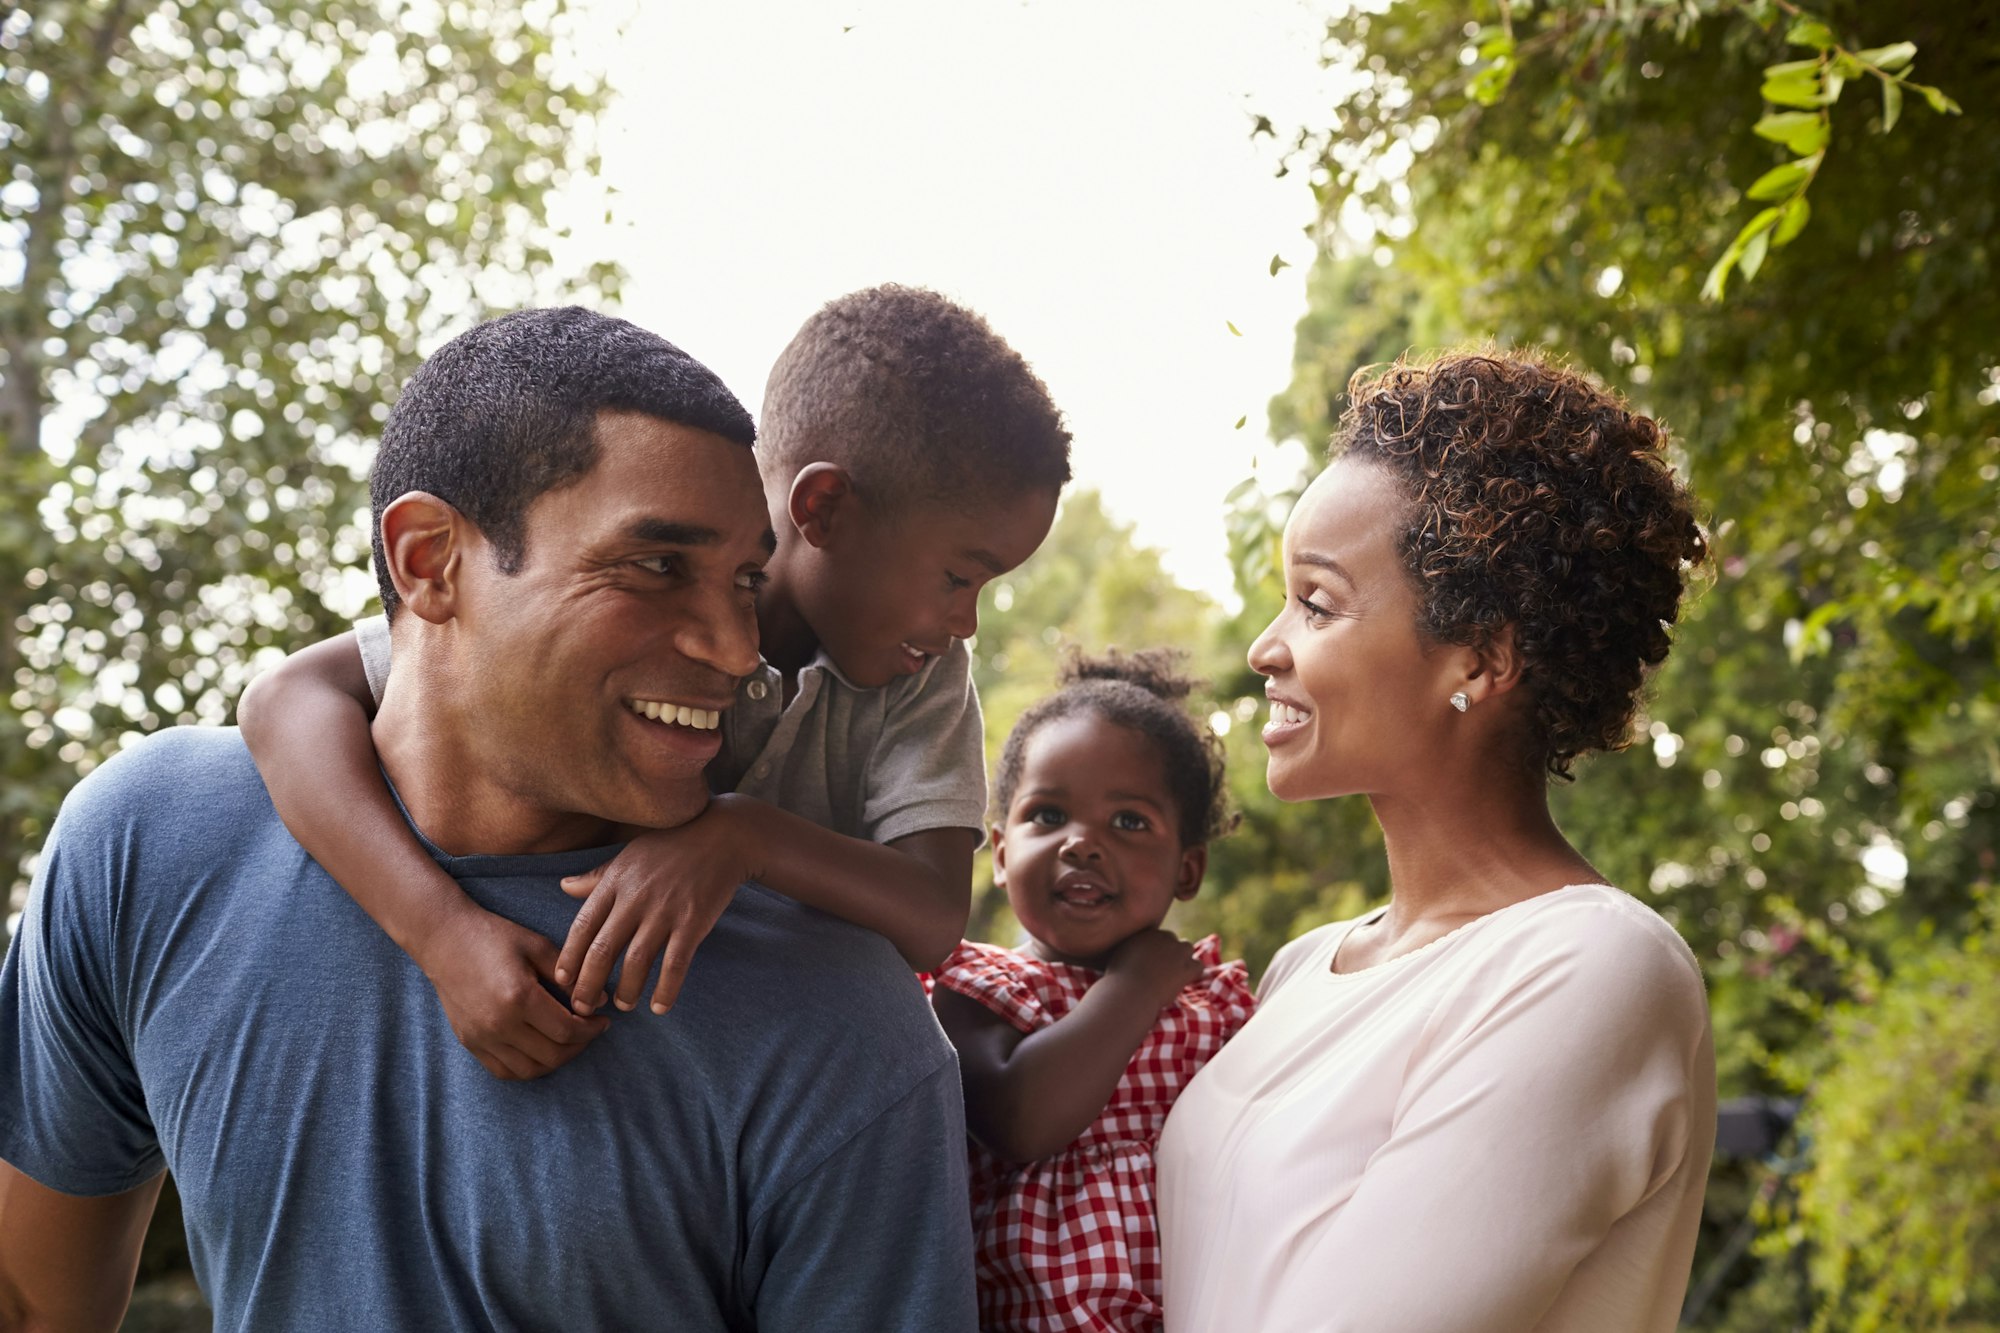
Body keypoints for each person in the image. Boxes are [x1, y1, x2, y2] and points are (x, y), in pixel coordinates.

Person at [0, 308, 978, 1330]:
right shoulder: (147, 844)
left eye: (744, 581)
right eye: (655, 566)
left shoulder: (841, 1027)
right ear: (429, 561)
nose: (739, 651)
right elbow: (31, 1302)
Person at [234, 285, 1072, 1079]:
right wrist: (440, 930)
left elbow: (931, 917)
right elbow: (284, 701)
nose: (967, 622)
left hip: (786, 1056)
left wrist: (738, 838)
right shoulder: (610, 620)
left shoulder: (918, 678)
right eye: (961, 577)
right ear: (824, 510)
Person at [1157, 350, 1718, 1332]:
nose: (1263, 648)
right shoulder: (1299, 970)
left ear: (1480, 657)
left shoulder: (1586, 969)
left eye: (1316, 602)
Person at [931, 651, 1255, 1333]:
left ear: (1187, 869)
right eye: (1047, 815)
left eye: (1129, 822)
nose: (1082, 844)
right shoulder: (976, 989)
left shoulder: (1218, 1003)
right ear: (999, 851)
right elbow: (1024, 1122)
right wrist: (1132, 987)